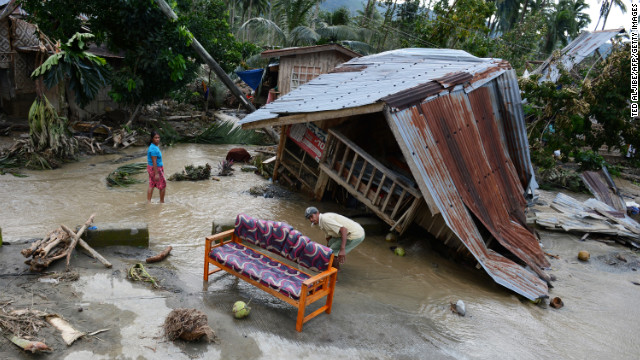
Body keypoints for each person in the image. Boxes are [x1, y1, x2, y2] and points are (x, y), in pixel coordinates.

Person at [147, 131, 166, 203]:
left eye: (158, 138)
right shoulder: (153, 149)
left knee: (151, 184)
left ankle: (148, 202)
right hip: (156, 169)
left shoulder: (153, 146)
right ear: (152, 139)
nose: (157, 139)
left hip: (151, 168)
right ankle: (162, 202)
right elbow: (154, 162)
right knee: (163, 185)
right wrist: (157, 173)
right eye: (155, 138)